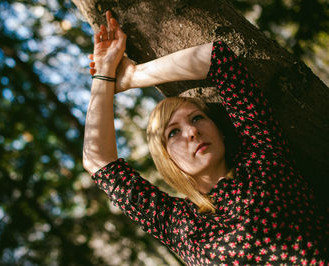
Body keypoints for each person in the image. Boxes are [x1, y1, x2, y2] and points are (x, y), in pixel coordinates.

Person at [83, 11, 329, 265]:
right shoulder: (177, 224)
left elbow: (217, 58)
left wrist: (134, 77)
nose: (191, 131)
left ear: (220, 129)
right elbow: (98, 161)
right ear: (166, 158)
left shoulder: (262, 156)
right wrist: (103, 75)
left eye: (197, 118)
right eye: (173, 132)